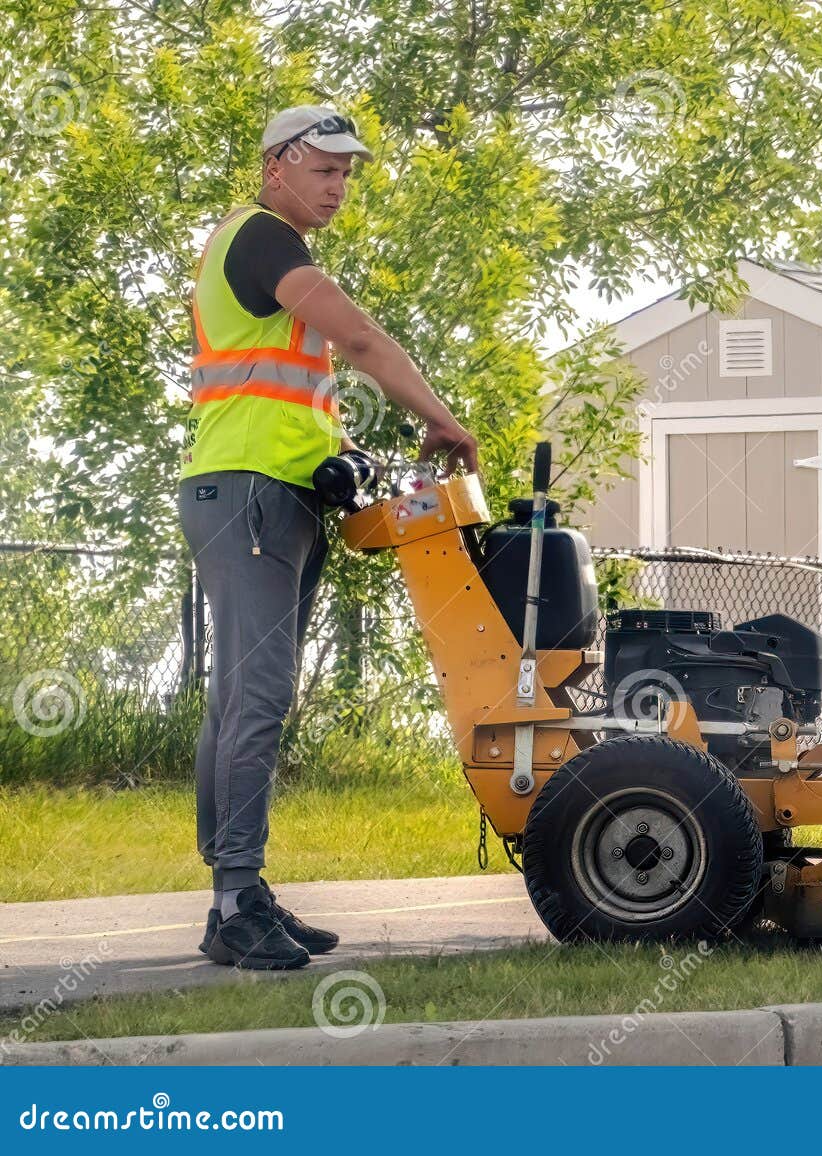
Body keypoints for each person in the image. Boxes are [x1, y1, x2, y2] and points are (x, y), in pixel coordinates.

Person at [179, 106, 479, 970]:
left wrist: (339, 448)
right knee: (257, 699)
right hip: (249, 496)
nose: (338, 185)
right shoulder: (265, 239)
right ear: (277, 166)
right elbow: (359, 339)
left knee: (240, 700)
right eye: (323, 168)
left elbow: (287, 391)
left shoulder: (264, 250)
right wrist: (444, 421)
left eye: (348, 172)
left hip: (268, 491)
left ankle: (237, 893)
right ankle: (235, 900)